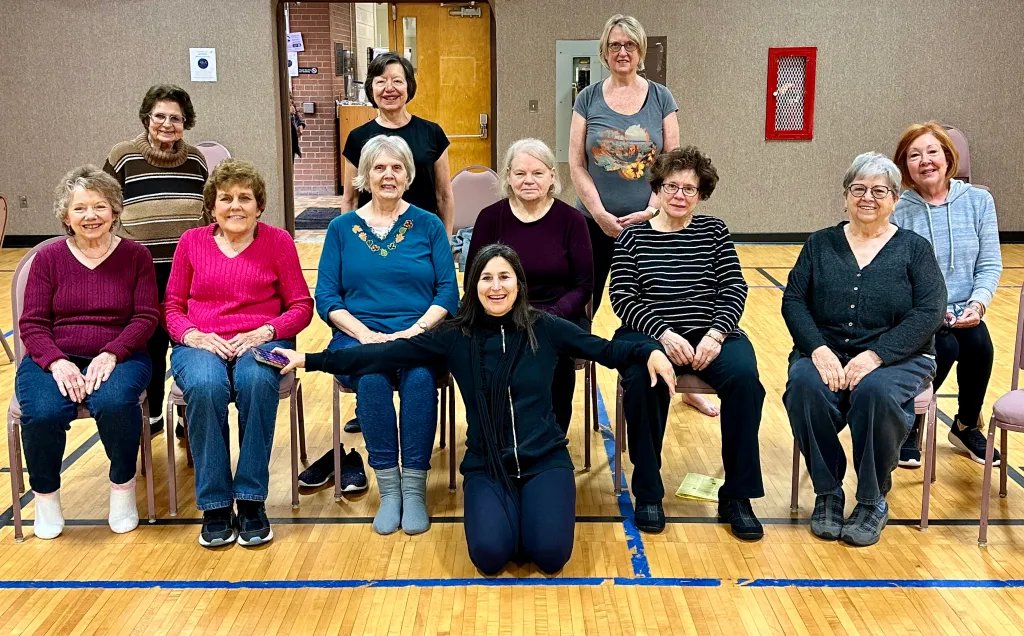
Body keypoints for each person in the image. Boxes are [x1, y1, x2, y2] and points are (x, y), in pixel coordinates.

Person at [274, 244, 674, 575]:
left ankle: (530, 513)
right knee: (489, 557)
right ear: (473, 285)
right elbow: (382, 354)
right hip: (487, 464)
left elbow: (605, 350)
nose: (496, 287)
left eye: (505, 277)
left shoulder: (546, 327)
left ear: (519, 282)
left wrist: (650, 350)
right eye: (486, 277)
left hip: (545, 460)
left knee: (551, 556)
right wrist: (310, 359)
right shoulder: (454, 337)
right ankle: (515, 516)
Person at [782, 152, 946, 547]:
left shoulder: (914, 249)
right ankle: (828, 492)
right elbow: (794, 301)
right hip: (826, 351)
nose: (867, 197)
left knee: (875, 393)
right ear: (845, 196)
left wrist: (876, 356)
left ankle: (872, 499)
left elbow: (930, 311)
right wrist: (818, 350)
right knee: (805, 386)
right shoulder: (820, 243)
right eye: (858, 189)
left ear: (894, 199)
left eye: (879, 191)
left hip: (899, 358)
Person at [299, 135, 459, 535]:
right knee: (371, 378)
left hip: (419, 333)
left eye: (397, 168)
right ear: (365, 176)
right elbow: (328, 296)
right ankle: (390, 490)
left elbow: (447, 293)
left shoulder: (429, 225)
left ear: (408, 176)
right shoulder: (340, 228)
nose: (388, 175)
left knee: (421, 379)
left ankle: (415, 489)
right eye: (379, 168)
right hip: (358, 336)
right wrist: (364, 333)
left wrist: (415, 330)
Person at [609, 147, 766, 540]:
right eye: (671, 186)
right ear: (657, 189)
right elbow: (623, 297)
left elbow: (734, 288)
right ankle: (648, 491)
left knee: (746, 380)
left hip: (711, 334)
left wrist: (716, 334)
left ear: (701, 194)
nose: (679, 195)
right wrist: (662, 334)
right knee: (644, 382)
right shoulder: (633, 236)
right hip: (650, 336)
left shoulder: (714, 231)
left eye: (689, 189)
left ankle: (738, 496)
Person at [569, 15, 716, 419]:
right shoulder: (587, 98)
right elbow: (577, 165)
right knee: (584, 301)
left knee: (673, 300)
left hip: (652, 222)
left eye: (629, 45)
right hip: (594, 224)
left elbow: (675, 166)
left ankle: (686, 382)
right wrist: (598, 213)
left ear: (640, 51)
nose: (622, 52)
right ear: (604, 50)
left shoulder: (661, 98)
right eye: (615, 45)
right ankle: (567, 383)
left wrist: (653, 209)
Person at [165, 159, 313, 548]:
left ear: (259, 206)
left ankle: (250, 500)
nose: (235, 206)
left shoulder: (278, 241)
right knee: (206, 384)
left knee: (254, 380)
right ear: (212, 206)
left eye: (245, 198)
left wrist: (266, 331)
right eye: (225, 198)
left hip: (263, 340)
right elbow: (172, 308)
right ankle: (215, 504)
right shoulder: (191, 243)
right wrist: (193, 335)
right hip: (201, 341)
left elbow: (301, 306)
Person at [17, 166, 158, 539]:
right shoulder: (48, 259)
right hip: (54, 356)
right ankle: (46, 498)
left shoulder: (136, 256)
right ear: (66, 215)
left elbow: (146, 317)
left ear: (115, 210)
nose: (90, 216)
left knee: (114, 403)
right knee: (44, 412)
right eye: (80, 208)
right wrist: (57, 361)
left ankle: (122, 488)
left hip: (121, 354)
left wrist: (112, 352)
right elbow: (31, 323)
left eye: (99, 206)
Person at [892, 122, 1003, 467]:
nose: (925, 161)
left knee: (979, 345)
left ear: (948, 157)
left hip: (964, 307)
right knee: (944, 345)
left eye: (932, 152)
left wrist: (978, 304)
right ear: (905, 164)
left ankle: (966, 425)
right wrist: (929, 310)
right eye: (914, 155)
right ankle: (911, 424)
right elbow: (895, 272)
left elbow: (989, 263)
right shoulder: (898, 207)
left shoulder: (979, 201)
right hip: (920, 309)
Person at [465, 138, 593, 434]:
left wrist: (549, 316)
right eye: (520, 173)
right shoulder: (490, 218)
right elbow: (474, 277)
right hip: (500, 311)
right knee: (482, 351)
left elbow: (583, 285)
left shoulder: (572, 220)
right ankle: (498, 435)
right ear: (508, 177)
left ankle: (552, 437)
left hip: (558, 315)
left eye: (537, 173)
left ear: (552, 176)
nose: (528, 180)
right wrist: (505, 312)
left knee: (554, 352)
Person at [104, 84, 209, 438]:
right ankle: (150, 415)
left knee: (187, 339)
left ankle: (186, 409)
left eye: (176, 118)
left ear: (186, 122)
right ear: (147, 117)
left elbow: (208, 212)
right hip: (139, 269)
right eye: (159, 116)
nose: (167, 124)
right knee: (148, 341)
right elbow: (104, 204)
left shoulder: (195, 160)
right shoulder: (123, 157)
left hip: (188, 269)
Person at [342, 52, 454, 235]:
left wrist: (445, 241)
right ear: (371, 88)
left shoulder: (432, 133)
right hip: (372, 236)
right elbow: (350, 200)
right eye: (381, 81)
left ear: (409, 86)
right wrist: (348, 242)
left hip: (422, 235)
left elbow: (444, 196)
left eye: (397, 81)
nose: (389, 88)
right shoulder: (357, 138)